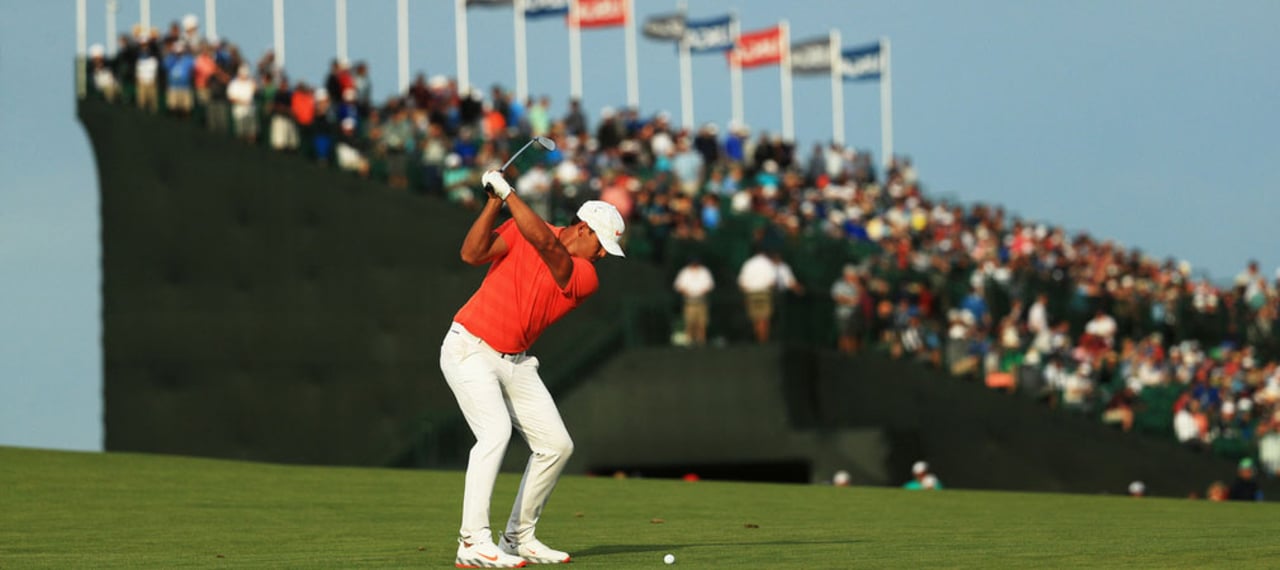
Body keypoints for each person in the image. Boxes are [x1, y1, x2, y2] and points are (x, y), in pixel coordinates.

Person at [440, 169, 626, 568]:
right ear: (584, 229)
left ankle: (518, 538)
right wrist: (493, 203)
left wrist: (508, 193)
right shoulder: (524, 228)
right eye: (601, 245)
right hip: (469, 347)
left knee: (556, 445)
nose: (602, 256)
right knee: (494, 433)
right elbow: (471, 254)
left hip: (516, 363)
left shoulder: (585, 276)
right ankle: (472, 542)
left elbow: (547, 245)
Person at [737, 249, 803, 344]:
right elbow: (773, 282)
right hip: (765, 294)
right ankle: (762, 342)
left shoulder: (749, 263)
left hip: (751, 294)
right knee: (763, 319)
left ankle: (760, 341)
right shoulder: (767, 264)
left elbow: (741, 283)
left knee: (757, 319)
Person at [672, 257, 715, 347]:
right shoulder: (684, 272)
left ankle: (701, 342)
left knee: (702, 323)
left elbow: (709, 285)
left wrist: (700, 292)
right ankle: (689, 342)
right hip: (689, 302)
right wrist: (688, 292)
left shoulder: (704, 271)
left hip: (701, 301)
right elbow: (678, 286)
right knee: (689, 322)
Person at [831, 264, 865, 354]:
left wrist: (857, 285)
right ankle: (843, 354)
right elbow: (837, 298)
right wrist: (850, 301)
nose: (853, 277)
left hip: (855, 314)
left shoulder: (856, 285)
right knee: (844, 335)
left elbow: (861, 296)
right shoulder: (839, 285)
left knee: (853, 335)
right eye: (852, 275)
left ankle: (852, 355)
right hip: (842, 314)